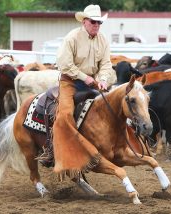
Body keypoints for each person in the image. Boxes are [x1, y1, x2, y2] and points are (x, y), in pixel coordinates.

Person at [50, 4, 117, 176]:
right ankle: (62, 155)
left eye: (99, 23)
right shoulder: (72, 37)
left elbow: (106, 64)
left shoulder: (103, 40)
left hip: (92, 81)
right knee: (64, 115)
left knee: (112, 108)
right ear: (85, 21)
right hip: (70, 82)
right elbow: (64, 64)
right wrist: (83, 77)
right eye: (94, 22)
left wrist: (102, 79)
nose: (97, 25)